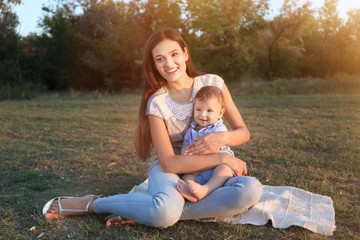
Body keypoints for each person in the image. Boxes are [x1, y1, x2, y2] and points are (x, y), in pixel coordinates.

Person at [42, 28, 263, 228]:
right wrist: (223, 159)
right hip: (173, 168)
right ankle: (94, 204)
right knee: (164, 213)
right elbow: (168, 162)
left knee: (251, 190)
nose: (169, 63)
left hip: (212, 172)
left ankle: (141, 210)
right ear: (155, 65)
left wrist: (221, 139)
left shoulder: (213, 83)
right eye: (160, 59)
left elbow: (243, 132)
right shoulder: (157, 102)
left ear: (185, 54)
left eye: (174, 54)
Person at [177, 86, 234, 202]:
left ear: (220, 113)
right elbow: (184, 149)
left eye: (209, 111)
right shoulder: (190, 130)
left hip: (216, 166)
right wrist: (187, 159)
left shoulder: (219, 129)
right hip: (198, 171)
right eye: (198, 109)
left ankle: (206, 189)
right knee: (187, 177)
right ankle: (192, 192)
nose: (203, 115)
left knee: (224, 170)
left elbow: (215, 151)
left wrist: (198, 161)